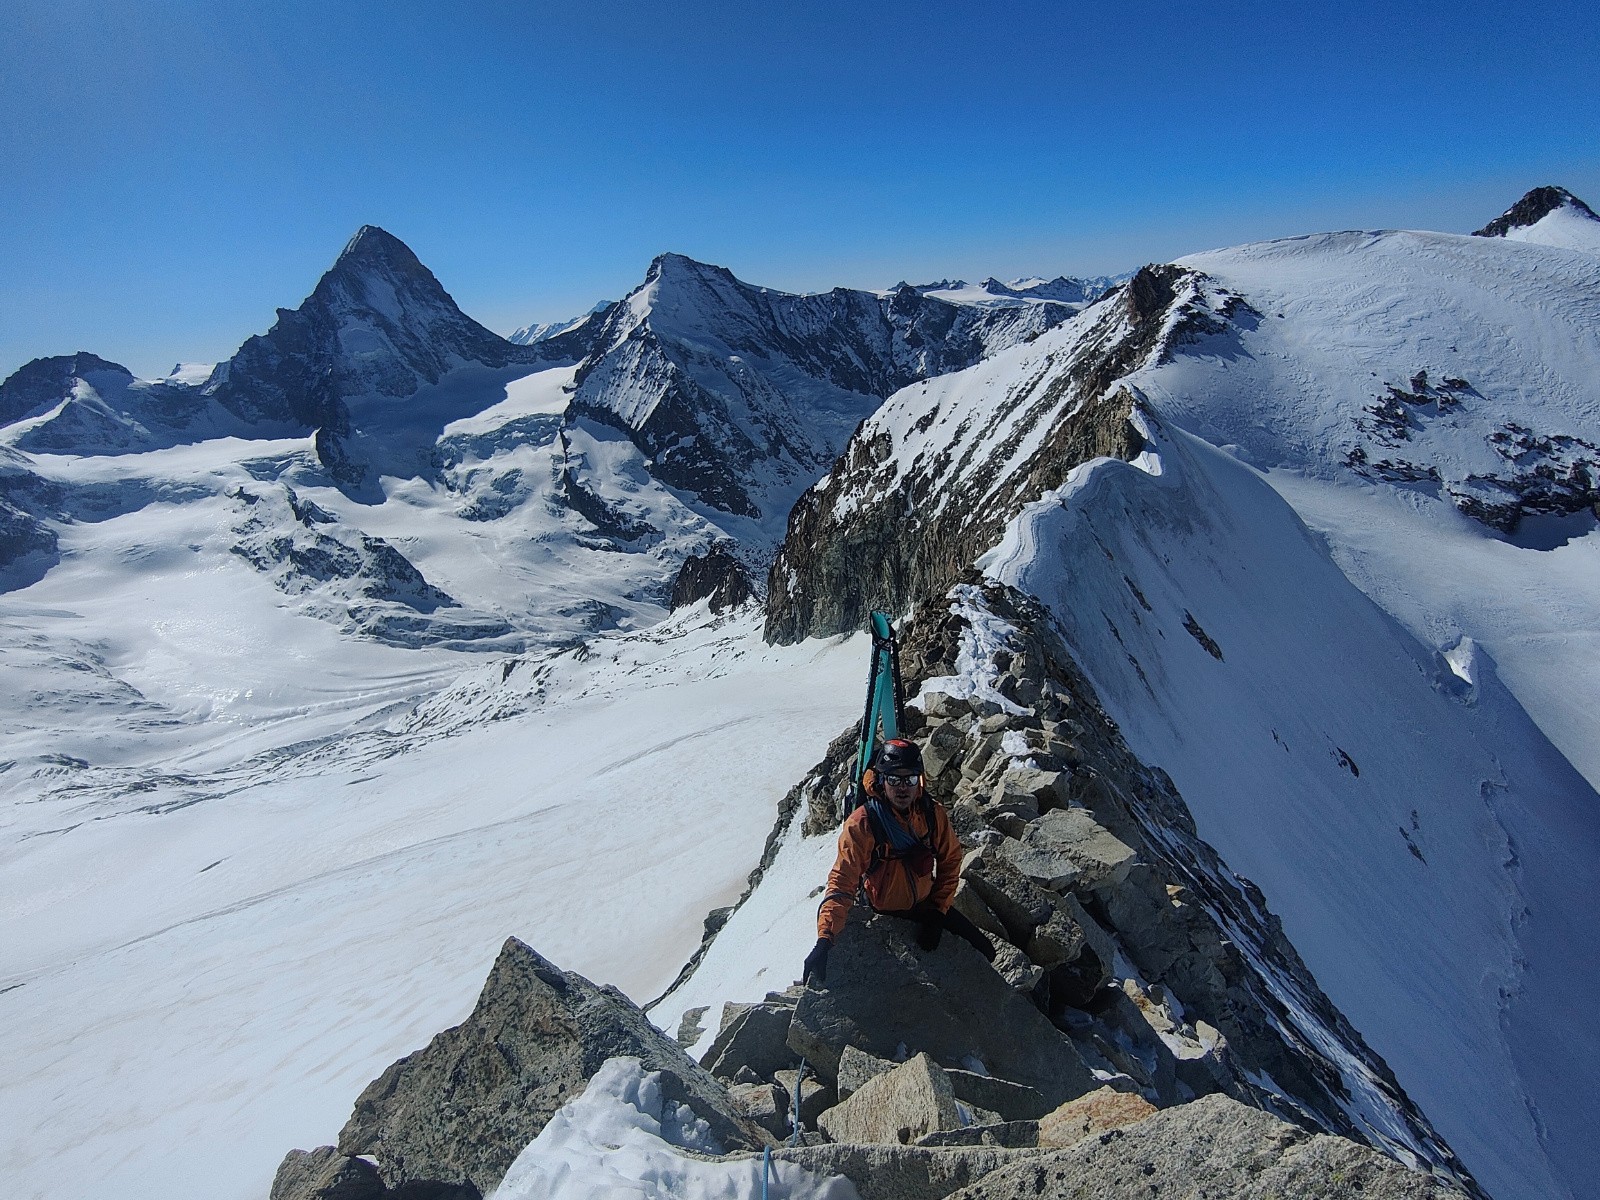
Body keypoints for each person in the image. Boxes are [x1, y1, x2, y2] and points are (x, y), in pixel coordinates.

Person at [802, 738, 995, 985]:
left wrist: (938, 909)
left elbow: (951, 858)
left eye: (910, 779)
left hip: (925, 907)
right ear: (882, 780)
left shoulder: (930, 813)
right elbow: (842, 881)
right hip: (880, 910)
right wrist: (825, 939)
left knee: (986, 953)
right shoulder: (862, 824)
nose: (902, 787)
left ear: (920, 781)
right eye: (894, 779)